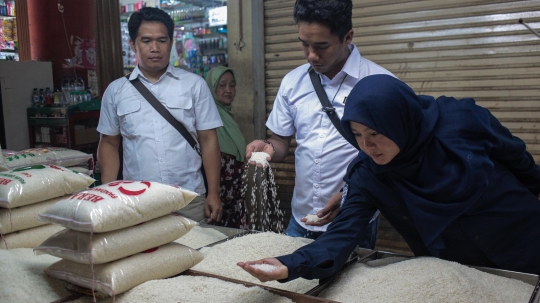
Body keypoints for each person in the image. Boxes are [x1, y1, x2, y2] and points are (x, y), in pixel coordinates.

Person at [238, 74, 540, 282]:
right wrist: (289, 264)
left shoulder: (462, 121)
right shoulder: (369, 174)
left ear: (398, 121)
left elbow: (518, 160)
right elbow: (341, 236)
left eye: (374, 133)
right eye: (355, 135)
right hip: (464, 267)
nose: (366, 146)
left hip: (524, 239)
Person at [245, 0, 393, 247]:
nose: (312, 55)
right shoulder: (293, 82)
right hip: (300, 218)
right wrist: (268, 148)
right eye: (304, 44)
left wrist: (351, 193)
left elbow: (395, 158)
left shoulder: (380, 84)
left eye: (322, 46)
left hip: (353, 220)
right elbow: (281, 140)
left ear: (347, 37)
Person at [96, 7, 223, 223]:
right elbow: (109, 144)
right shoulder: (116, 91)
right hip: (137, 201)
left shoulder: (194, 85)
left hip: (188, 198)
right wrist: (108, 194)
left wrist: (214, 192)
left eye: (162, 40)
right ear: (132, 44)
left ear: (171, 43)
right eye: (146, 41)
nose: (155, 48)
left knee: (197, 253)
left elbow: (209, 140)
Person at [205, 66, 248, 229]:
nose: (228, 90)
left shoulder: (229, 119)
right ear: (211, 87)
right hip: (217, 195)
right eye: (222, 85)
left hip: (234, 197)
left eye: (232, 85)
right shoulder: (208, 118)